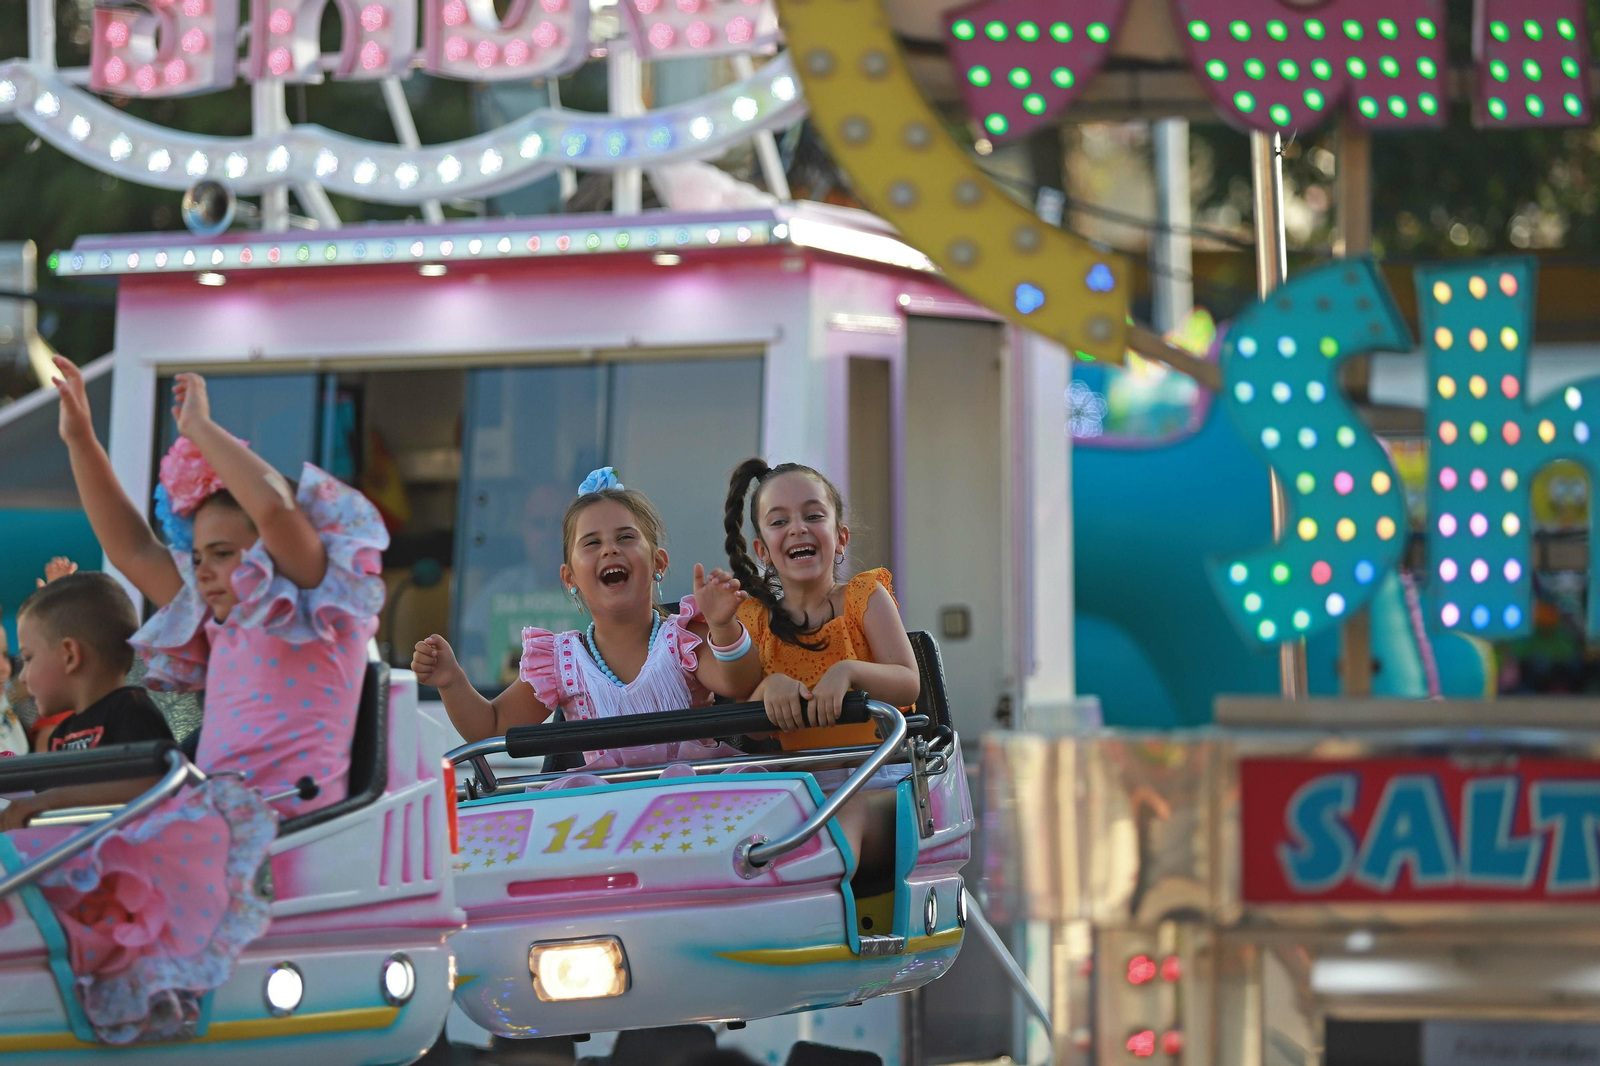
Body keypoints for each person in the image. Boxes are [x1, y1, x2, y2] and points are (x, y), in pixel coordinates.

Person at [414, 467, 762, 775]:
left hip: (691, 808)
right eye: (591, 543)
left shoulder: (683, 637)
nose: (609, 549)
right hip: (601, 823)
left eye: (625, 537)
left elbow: (740, 681)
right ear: (570, 578)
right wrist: (452, 681)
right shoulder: (559, 661)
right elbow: (491, 727)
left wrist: (722, 626)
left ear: (658, 563)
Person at [723, 458, 921, 882]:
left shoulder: (864, 597)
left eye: (814, 516)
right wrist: (769, 688)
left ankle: (811, 897)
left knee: (843, 814)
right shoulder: (753, 620)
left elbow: (908, 682)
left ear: (840, 537)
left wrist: (851, 671)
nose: (798, 529)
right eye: (779, 522)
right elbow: (749, 727)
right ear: (762, 551)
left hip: (877, 780)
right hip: (798, 791)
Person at [0, 575, 173, 824]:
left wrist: (48, 802)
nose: (23, 677)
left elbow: (153, 786)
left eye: (28, 658)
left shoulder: (130, 711)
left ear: (70, 655)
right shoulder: (63, 733)